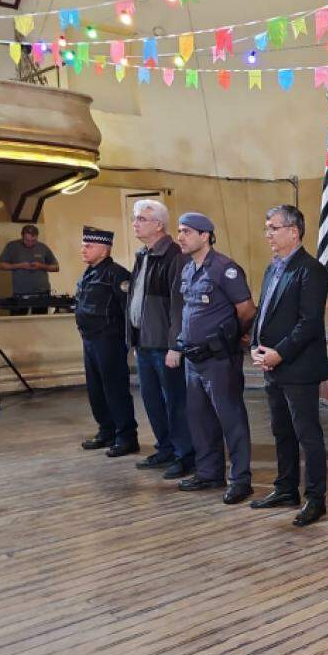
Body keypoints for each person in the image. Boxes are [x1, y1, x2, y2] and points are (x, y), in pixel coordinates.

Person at [248, 205, 328, 527]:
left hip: (297, 366)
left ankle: (316, 498)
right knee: (281, 430)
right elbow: (264, 312)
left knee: (307, 434)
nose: (267, 233)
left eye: (273, 228)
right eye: (267, 227)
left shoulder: (310, 270)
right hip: (272, 364)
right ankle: (285, 488)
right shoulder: (274, 268)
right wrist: (256, 346)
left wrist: (278, 353)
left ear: (293, 232)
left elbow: (309, 323)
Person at [173, 212, 257, 505]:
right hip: (194, 360)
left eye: (186, 231)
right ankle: (209, 472)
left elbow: (246, 309)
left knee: (231, 419)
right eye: (179, 230)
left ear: (205, 235)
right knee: (200, 419)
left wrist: (234, 336)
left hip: (220, 359)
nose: (180, 236)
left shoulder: (225, 269)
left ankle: (240, 480)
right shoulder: (188, 269)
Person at [127, 199, 194, 480]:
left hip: (164, 345)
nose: (135, 223)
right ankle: (165, 448)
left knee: (175, 402)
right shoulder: (143, 254)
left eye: (141, 219)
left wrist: (175, 345)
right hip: (144, 342)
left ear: (158, 225)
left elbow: (179, 305)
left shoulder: (174, 255)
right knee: (152, 401)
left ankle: (185, 455)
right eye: (136, 218)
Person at [75, 226, 139, 457]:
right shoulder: (89, 273)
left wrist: (130, 342)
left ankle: (126, 436)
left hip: (109, 340)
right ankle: (106, 430)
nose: (83, 249)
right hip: (90, 339)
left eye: (88, 245)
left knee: (114, 388)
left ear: (104, 249)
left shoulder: (116, 274)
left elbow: (128, 309)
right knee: (96, 389)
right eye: (83, 245)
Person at [0, 225, 59, 315]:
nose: (30, 243)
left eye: (33, 241)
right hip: (20, 293)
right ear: (22, 236)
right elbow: (0, 265)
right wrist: (19, 265)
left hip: (42, 293)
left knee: (41, 322)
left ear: (37, 237)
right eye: (27, 240)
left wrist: (41, 266)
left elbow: (56, 267)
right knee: (18, 323)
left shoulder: (43, 247)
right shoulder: (12, 246)